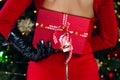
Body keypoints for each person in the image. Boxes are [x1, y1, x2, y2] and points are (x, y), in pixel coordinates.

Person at [0, 0, 118, 80]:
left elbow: (3, 21)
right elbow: (109, 38)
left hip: (43, 70)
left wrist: (29, 51)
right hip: (83, 70)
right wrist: (79, 45)